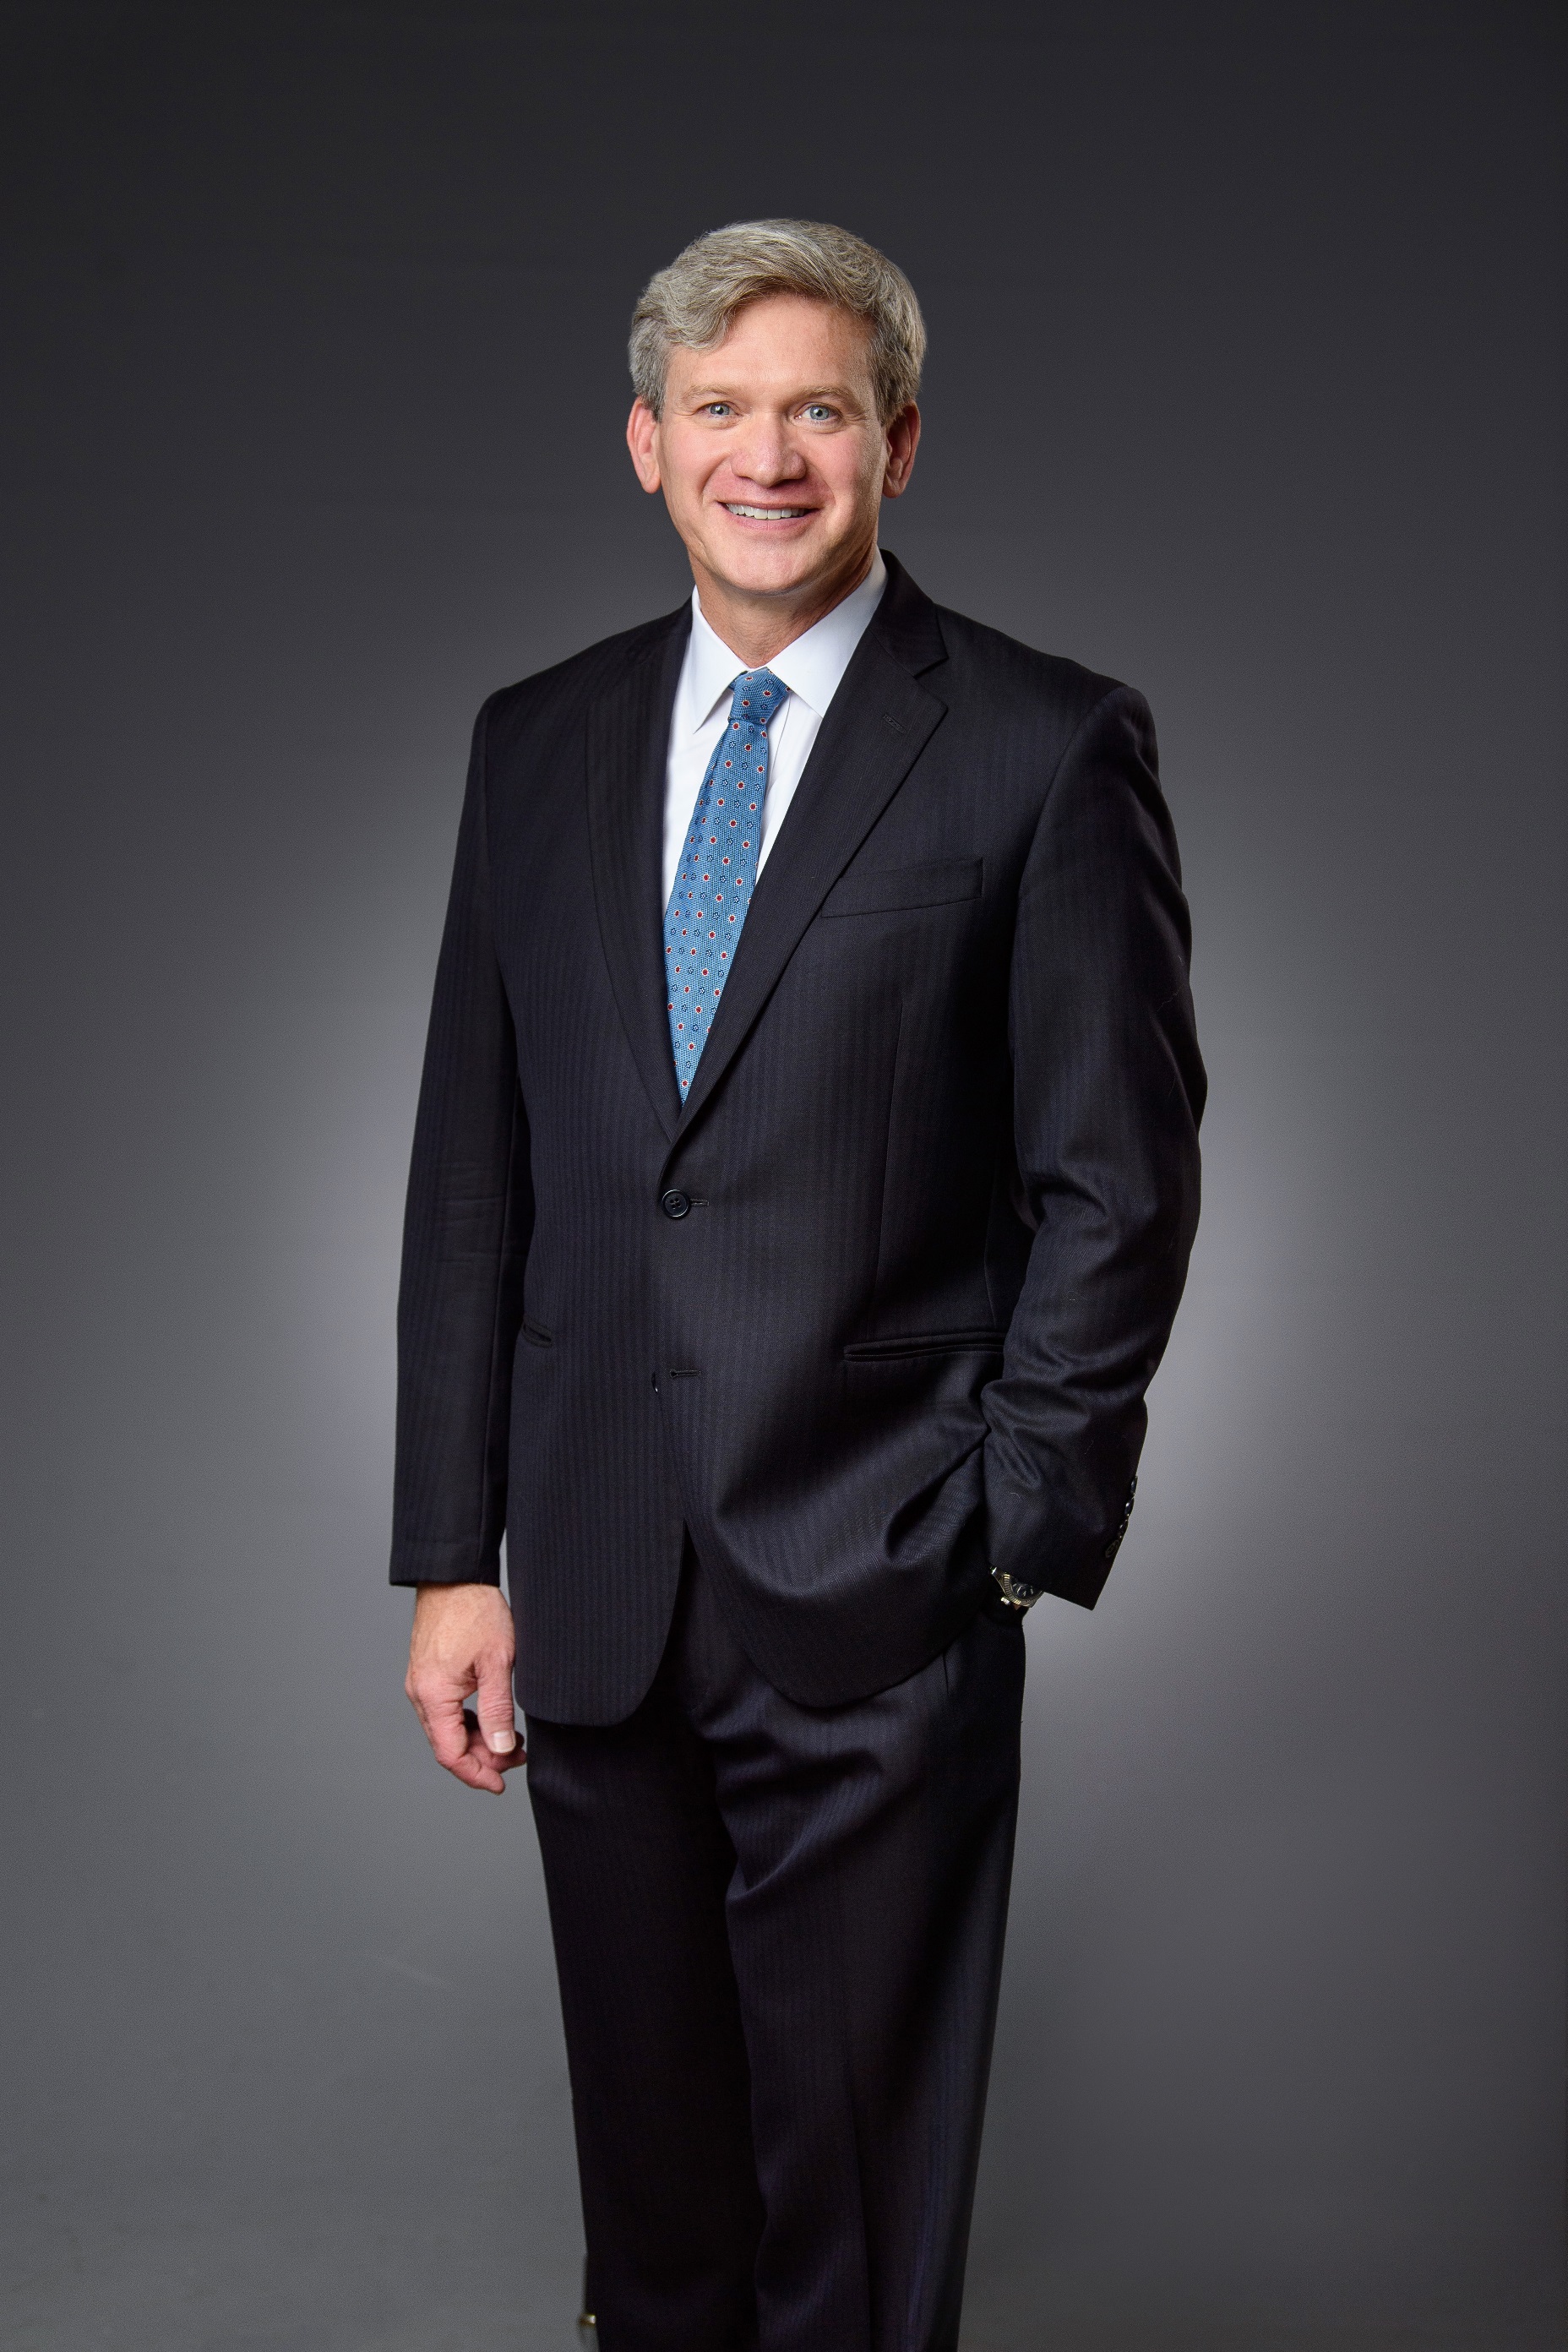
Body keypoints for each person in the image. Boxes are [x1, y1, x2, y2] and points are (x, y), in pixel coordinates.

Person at [391, 218, 1204, 2352]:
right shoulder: (534, 742)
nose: (769, 456)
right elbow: (473, 1172)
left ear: (897, 444)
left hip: (880, 1580)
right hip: (590, 1585)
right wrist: (453, 1556)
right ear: (645, 444)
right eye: (722, 410)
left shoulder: (1039, 744)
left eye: (819, 411)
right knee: (658, 2234)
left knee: (850, 2225)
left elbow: (1117, 1181)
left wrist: (1006, 1531)